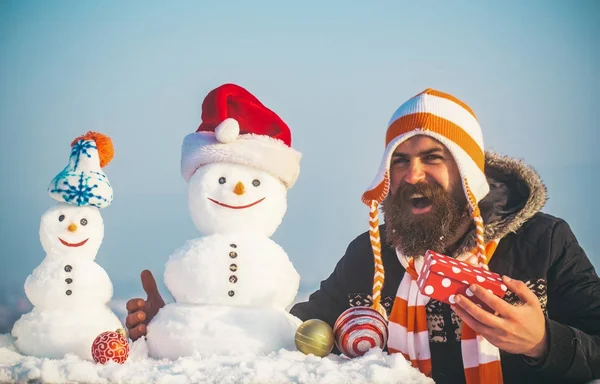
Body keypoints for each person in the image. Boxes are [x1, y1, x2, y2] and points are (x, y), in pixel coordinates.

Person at [126, 89, 600, 383]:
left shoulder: (543, 243)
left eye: (433, 157)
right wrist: (186, 325)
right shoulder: (370, 257)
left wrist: (542, 342)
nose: (413, 174)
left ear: (467, 174)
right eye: (400, 159)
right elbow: (295, 333)